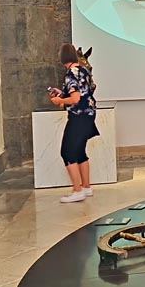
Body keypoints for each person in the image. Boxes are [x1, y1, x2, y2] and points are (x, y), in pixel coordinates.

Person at [49, 43, 100, 202]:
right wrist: (62, 92)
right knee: (79, 151)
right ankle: (86, 187)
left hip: (78, 116)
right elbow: (84, 92)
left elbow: (76, 98)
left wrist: (60, 101)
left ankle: (77, 190)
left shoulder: (70, 73)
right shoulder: (83, 70)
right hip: (89, 114)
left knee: (67, 152)